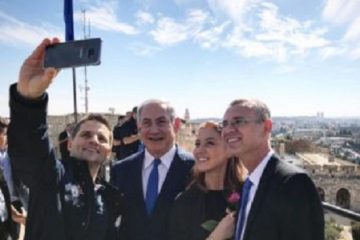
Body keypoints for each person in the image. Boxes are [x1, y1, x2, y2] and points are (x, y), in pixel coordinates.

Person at [8, 38, 122, 240]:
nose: (94, 140)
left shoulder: (110, 197)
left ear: (109, 150)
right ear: (69, 144)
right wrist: (28, 99)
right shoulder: (53, 177)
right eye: (86, 134)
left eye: (102, 138)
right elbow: (31, 151)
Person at [221, 99, 324, 240]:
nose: (228, 130)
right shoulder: (248, 184)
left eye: (238, 121)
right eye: (225, 124)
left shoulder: (293, 184)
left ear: (267, 127)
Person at [110, 99, 195, 240]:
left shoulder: (194, 169)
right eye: (147, 123)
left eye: (161, 122)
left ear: (176, 125)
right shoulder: (121, 170)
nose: (154, 130)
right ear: (139, 126)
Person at [170, 121, 246, 240]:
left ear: (230, 150)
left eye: (210, 143)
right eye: (198, 143)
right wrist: (217, 237)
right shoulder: (185, 203)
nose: (199, 150)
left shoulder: (248, 196)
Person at [0, 118, 17, 240]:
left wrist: (11, 211)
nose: (6, 138)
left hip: (5, 215)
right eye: (5, 134)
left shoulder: (9, 152)